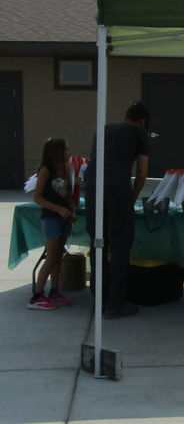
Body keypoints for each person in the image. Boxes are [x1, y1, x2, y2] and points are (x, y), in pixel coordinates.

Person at [84, 101, 150, 319]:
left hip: (92, 187)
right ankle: (115, 304)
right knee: (120, 245)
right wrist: (131, 200)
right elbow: (141, 175)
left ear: (126, 116)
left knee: (98, 242)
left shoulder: (102, 130)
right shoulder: (140, 133)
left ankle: (98, 300)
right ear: (143, 122)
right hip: (117, 189)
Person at [28, 138, 76, 309]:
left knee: (58, 256)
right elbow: (37, 197)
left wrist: (71, 210)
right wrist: (58, 209)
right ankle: (37, 296)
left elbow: (68, 194)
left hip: (64, 218)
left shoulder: (65, 169)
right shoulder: (45, 171)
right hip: (50, 218)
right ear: (57, 152)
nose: (69, 152)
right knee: (51, 256)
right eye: (67, 149)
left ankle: (54, 291)